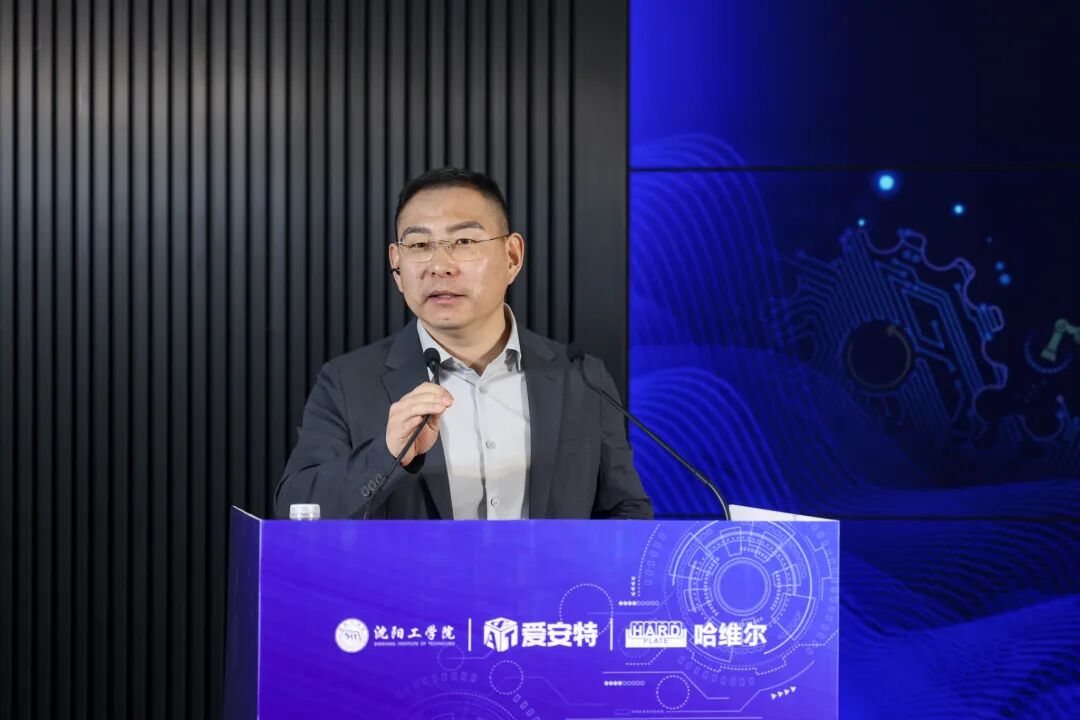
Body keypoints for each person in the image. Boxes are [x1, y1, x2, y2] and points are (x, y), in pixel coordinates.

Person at [275, 167, 653, 520]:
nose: (440, 266)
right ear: (397, 265)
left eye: (464, 241)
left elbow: (626, 511)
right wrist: (386, 454)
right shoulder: (347, 382)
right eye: (419, 245)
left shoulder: (581, 378)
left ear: (512, 256)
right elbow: (297, 509)